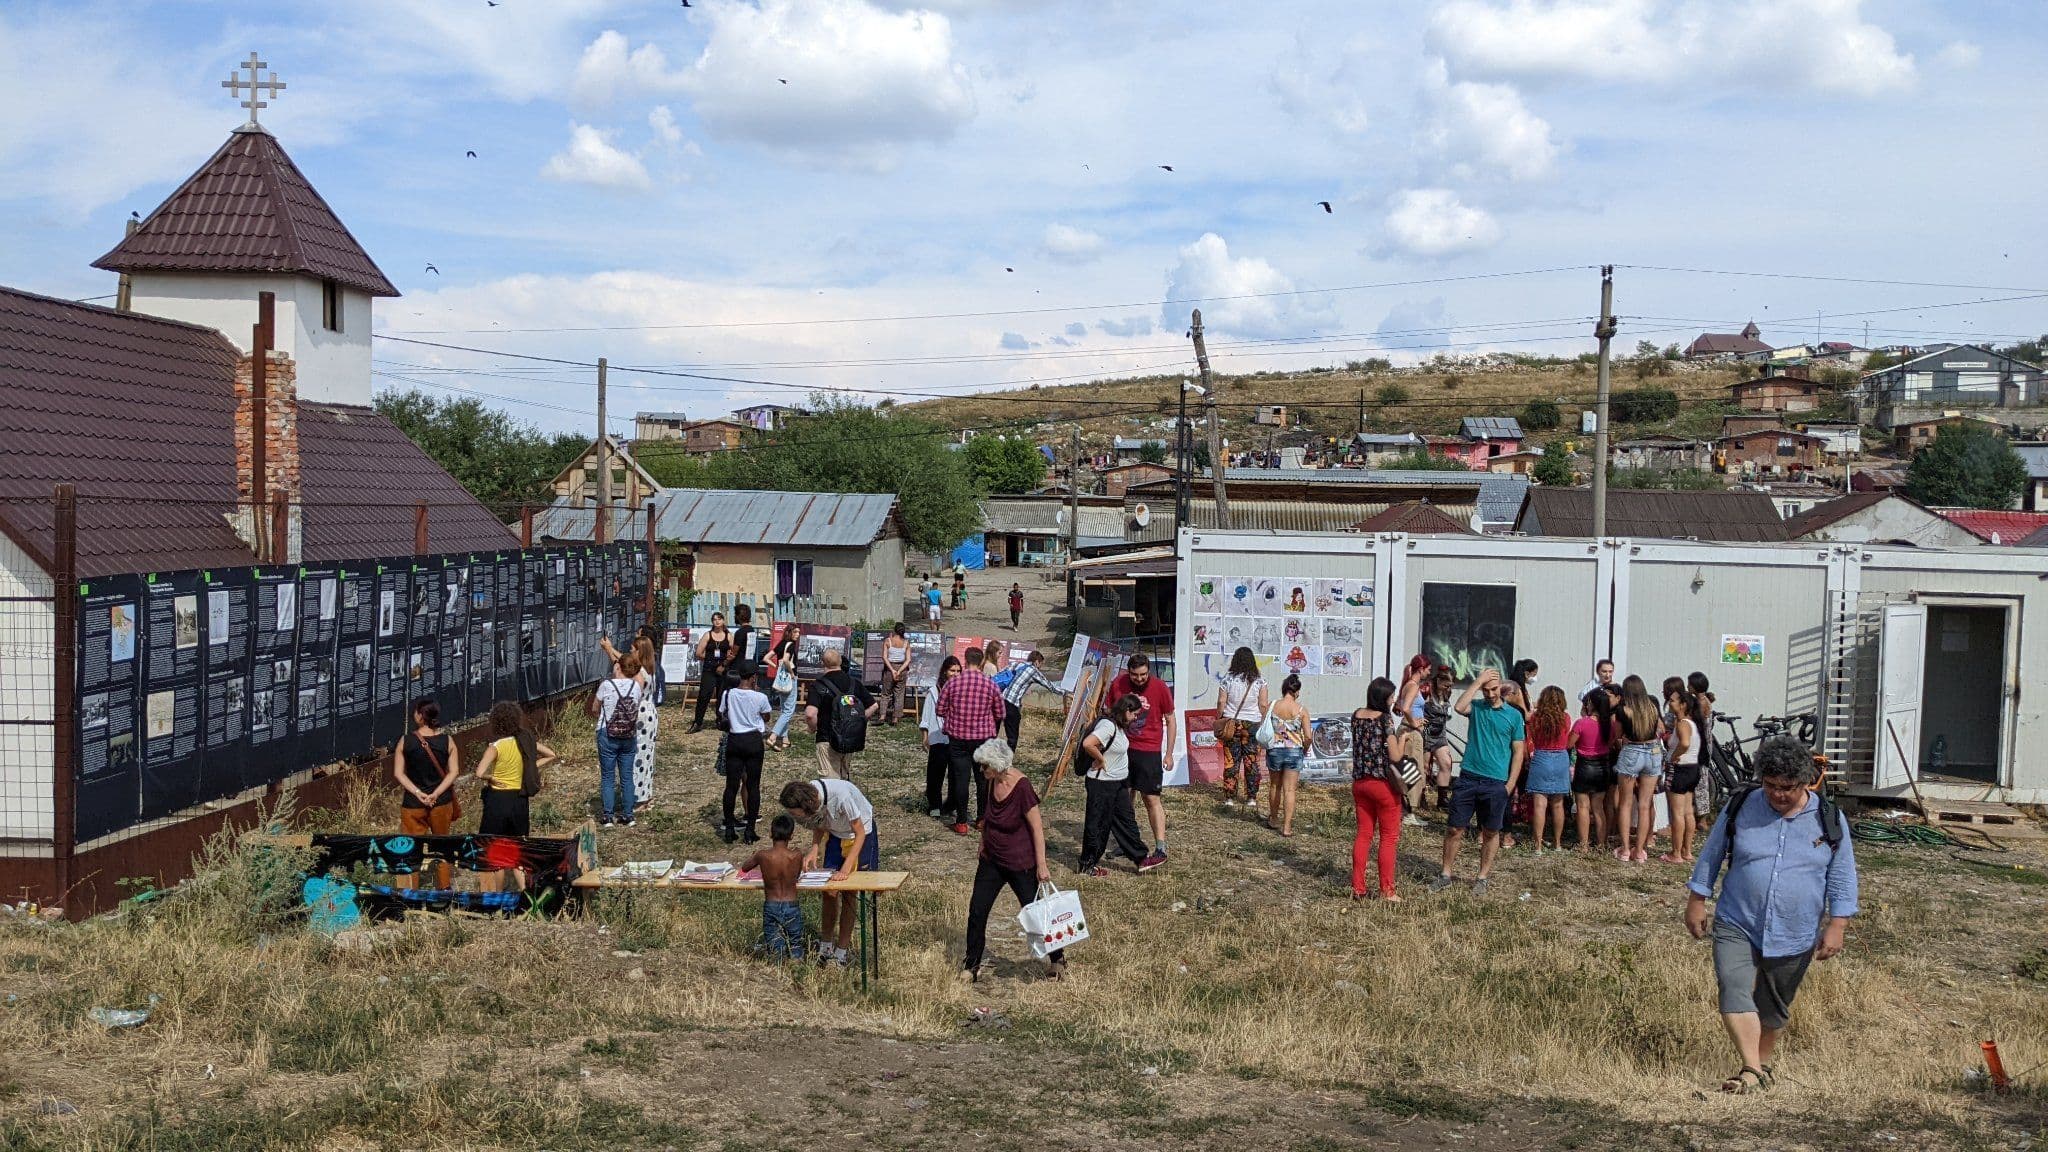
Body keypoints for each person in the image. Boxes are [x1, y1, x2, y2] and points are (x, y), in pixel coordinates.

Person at [1685, 737, 1858, 1095]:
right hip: (1737, 920)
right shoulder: (1740, 806)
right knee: (1733, 985)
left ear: (1805, 781)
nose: (1777, 794)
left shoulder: (1828, 819)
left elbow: (1841, 875)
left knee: (1774, 1005)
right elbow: (1712, 853)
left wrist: (1838, 924)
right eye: (1770, 786)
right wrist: (1697, 898)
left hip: (1796, 930)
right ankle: (1750, 1066)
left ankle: (1757, 1071)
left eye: (1787, 788)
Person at [962, 738, 1063, 980]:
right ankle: (970, 965)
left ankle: (1057, 959)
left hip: (1020, 862)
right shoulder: (990, 782)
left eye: (985, 766)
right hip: (992, 860)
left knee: (1035, 912)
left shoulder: (1022, 787)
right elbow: (988, 816)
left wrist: (1042, 865)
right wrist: (982, 843)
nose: (981, 770)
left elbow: (1037, 828)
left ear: (997, 765)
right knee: (977, 911)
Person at [1429, 668, 1525, 894]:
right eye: (1486, 689)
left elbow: (1518, 752)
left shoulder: (1513, 715)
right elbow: (1460, 706)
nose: (1490, 694)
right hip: (1469, 777)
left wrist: (1510, 784)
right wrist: (1477, 681)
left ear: (1501, 688)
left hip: (1496, 782)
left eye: (1493, 689)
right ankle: (1445, 873)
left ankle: (1482, 877)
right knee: (1454, 828)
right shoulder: (1478, 708)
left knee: (1491, 831)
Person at [780, 777, 878, 969]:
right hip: (835, 835)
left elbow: (859, 833)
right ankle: (826, 947)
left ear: (805, 804)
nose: (794, 817)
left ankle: (841, 952)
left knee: (849, 892)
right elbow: (819, 821)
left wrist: (845, 868)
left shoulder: (842, 797)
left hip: (858, 837)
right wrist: (815, 848)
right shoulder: (813, 793)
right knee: (829, 891)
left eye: (794, 812)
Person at [472, 701, 558, 891]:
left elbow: (479, 773)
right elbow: (551, 754)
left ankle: (497, 895)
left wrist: (490, 777)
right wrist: (530, 768)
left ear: (496, 723)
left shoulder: (496, 746)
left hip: (498, 800)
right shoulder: (524, 741)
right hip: (519, 800)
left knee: (494, 849)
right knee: (519, 849)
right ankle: (528, 893)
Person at [1106, 654, 1174, 872]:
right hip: (1123, 748)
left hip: (1149, 750)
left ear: (1149, 671)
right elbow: (1108, 711)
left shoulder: (1160, 687)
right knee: (1124, 797)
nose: (1139, 679)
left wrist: (1169, 753)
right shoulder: (1118, 683)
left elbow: (1171, 720)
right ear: (1128, 672)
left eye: (1143, 674)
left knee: (1151, 798)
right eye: (1134, 675)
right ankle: (1127, 843)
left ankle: (1160, 847)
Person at [392, 696, 460, 890]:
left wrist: (418, 792)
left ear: (421, 716)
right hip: (441, 803)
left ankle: (409, 890)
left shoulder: (405, 741)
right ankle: (444, 889)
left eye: (415, 711)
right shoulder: (448, 741)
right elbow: (454, 772)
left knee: (410, 848)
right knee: (442, 847)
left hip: (413, 804)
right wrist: (436, 794)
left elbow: (398, 773)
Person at [936, 646, 1006, 833]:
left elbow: (940, 709)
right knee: (982, 779)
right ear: (982, 661)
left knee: (961, 779)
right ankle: (982, 818)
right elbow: (1000, 712)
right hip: (983, 738)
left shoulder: (952, 683)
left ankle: (961, 821)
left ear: (965, 661)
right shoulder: (990, 684)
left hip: (958, 738)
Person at [1077, 693, 1149, 875]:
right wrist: (1100, 759)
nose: (1135, 718)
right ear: (1126, 710)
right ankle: (1087, 864)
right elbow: (1088, 744)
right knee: (1099, 824)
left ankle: (1141, 858)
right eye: (1134, 714)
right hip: (1101, 784)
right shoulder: (1108, 726)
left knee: (1126, 820)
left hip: (1117, 783)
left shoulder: (1119, 726)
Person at [1349, 677, 1405, 900]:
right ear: (1384, 698)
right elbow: (1395, 755)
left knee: (1364, 834)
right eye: (1391, 696)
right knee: (1389, 837)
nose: (1393, 700)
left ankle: (1358, 888)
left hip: (1360, 782)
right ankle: (1387, 890)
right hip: (1382, 784)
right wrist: (1404, 740)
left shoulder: (1356, 715)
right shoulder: (1385, 719)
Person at [602, 634, 660, 813]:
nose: (630, 652)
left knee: (638, 759)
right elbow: (623, 663)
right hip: (649, 715)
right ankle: (646, 795)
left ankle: (639, 799)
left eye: (633, 650)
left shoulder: (640, 674)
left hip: (641, 718)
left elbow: (624, 670)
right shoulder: (648, 668)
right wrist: (609, 649)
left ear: (639, 651)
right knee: (646, 757)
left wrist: (609, 649)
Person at [1612, 675, 1665, 864]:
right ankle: (1640, 850)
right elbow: (1661, 728)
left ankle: (1626, 849)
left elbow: (1617, 734)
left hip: (1632, 750)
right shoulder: (1651, 706)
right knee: (1645, 804)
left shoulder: (1623, 710)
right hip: (1652, 752)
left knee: (1626, 803)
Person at [739, 813, 805, 961]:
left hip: (772, 904)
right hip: (791, 904)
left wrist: (755, 856)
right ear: (792, 835)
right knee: (795, 944)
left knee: (775, 946)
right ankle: (797, 970)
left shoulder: (762, 855)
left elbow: (745, 867)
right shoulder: (796, 855)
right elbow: (797, 874)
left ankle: (778, 973)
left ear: (770, 833)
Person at [804, 647, 877, 781]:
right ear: (840, 662)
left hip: (827, 738)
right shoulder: (854, 683)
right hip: (849, 737)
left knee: (830, 781)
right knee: (844, 777)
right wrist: (858, 720)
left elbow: (810, 714)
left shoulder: (818, 685)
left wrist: (813, 728)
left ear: (822, 663)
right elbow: (874, 705)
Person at [721, 661, 773, 843]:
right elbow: (766, 716)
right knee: (753, 785)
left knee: (731, 785)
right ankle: (750, 829)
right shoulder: (760, 697)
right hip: (753, 740)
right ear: (753, 678)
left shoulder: (728, 694)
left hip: (735, 740)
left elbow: (723, 713)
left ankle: (729, 828)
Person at [1214, 647, 1269, 809]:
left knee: (1231, 761)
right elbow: (1263, 704)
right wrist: (1263, 720)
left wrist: (1219, 717)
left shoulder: (1227, 680)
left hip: (1231, 723)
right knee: (1251, 762)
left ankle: (1229, 797)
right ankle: (1251, 797)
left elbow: (1221, 702)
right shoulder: (1260, 681)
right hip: (1252, 724)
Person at [592, 653, 643, 827]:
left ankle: (608, 816)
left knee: (607, 776)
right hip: (628, 735)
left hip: (607, 733)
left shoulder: (606, 685)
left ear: (618, 667)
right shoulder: (636, 687)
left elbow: (594, 707)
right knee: (627, 777)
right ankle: (628, 815)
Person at [1525, 686, 1574, 853]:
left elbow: (1529, 731)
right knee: (1558, 804)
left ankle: (1538, 845)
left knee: (1540, 805)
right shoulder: (1566, 718)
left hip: (1541, 757)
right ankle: (1558, 843)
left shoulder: (1535, 718)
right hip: (1560, 757)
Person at [1570, 689, 1616, 852]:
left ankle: (1583, 845)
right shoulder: (1609, 725)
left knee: (1583, 806)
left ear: (1592, 704)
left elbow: (1569, 744)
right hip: (1602, 766)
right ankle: (1601, 843)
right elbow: (1610, 744)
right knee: (1598, 807)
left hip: (1584, 766)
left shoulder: (1581, 723)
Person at [1264, 674, 1309, 837]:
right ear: (1297, 692)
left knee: (1275, 786)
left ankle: (1274, 819)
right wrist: (1305, 747)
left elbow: (1265, 726)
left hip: (1275, 749)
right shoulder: (1302, 710)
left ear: (1284, 689)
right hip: (1294, 751)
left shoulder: (1273, 705)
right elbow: (1309, 736)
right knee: (1290, 790)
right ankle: (1287, 827)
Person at [1662, 681, 1702, 865]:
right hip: (1692, 768)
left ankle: (1676, 852)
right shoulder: (1692, 723)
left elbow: (1684, 743)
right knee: (1688, 811)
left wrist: (1673, 757)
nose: (1670, 704)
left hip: (1680, 769)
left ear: (1683, 704)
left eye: (1672, 701)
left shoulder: (1682, 724)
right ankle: (1687, 850)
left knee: (1677, 813)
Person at [1000, 649, 1068, 750]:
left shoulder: (1017, 664)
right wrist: (1065, 692)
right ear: (1037, 662)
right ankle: (1006, 762)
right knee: (1012, 736)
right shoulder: (1033, 671)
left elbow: (1002, 673)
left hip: (1000, 700)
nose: (1040, 667)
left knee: (994, 732)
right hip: (1012, 704)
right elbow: (1049, 686)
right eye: (1040, 664)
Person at [923, 655, 962, 818]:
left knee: (955, 773)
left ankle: (951, 804)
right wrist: (924, 736)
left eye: (958, 671)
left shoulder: (963, 690)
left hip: (956, 737)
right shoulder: (934, 691)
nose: (955, 674)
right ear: (945, 671)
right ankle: (935, 805)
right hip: (938, 736)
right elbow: (927, 715)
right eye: (952, 670)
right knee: (935, 773)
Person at [689, 611, 732, 733]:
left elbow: (732, 651)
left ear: (723, 620)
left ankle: (720, 720)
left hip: (723, 670)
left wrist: (725, 662)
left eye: (719, 619)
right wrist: (709, 660)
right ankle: (698, 721)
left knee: (721, 696)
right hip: (709, 670)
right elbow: (698, 652)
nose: (717, 621)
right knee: (704, 695)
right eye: (714, 619)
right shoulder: (708, 635)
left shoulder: (728, 636)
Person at [766, 623, 803, 751]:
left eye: (798, 632)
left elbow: (766, 658)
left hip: (780, 680)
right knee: (789, 711)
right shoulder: (791, 645)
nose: (797, 635)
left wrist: (776, 667)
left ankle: (785, 739)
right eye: (795, 632)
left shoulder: (781, 644)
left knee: (784, 709)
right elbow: (787, 660)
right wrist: (792, 673)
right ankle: (773, 737)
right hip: (789, 680)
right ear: (790, 632)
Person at [881, 622, 911, 725]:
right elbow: (908, 660)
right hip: (902, 669)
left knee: (885, 693)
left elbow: (884, 657)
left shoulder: (888, 641)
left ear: (894, 630)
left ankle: (882, 716)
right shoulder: (906, 643)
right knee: (899, 694)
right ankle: (895, 718)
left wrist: (892, 670)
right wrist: (899, 671)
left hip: (889, 668)